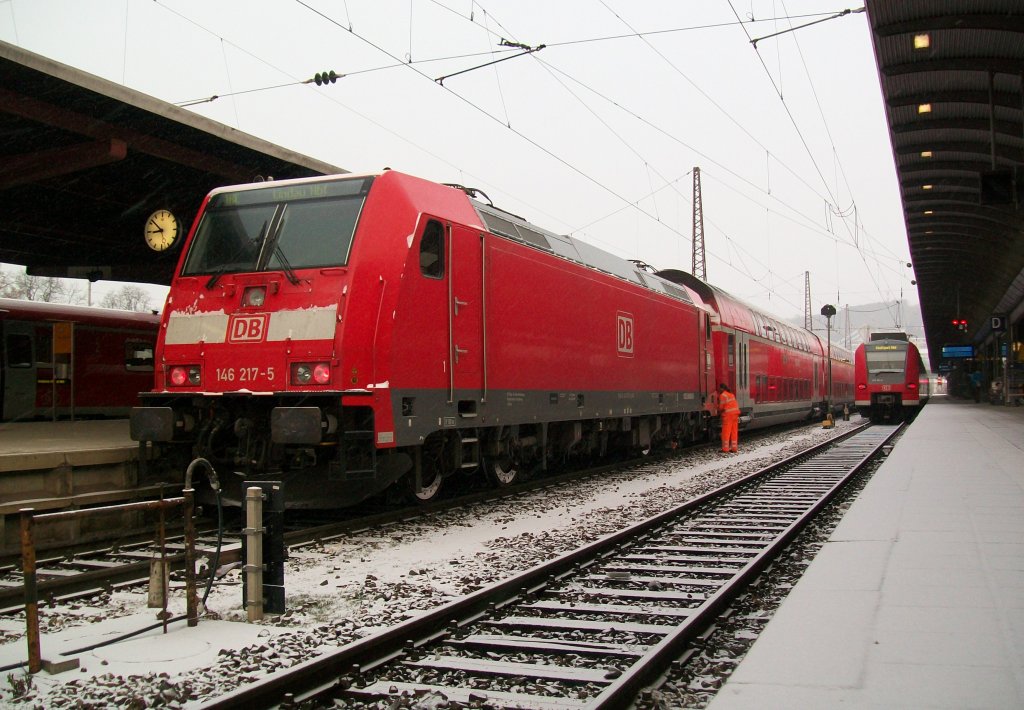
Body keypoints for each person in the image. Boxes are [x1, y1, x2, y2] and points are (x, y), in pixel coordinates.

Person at [718, 383, 740, 453]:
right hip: (735, 414)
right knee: (734, 432)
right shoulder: (731, 394)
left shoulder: (723, 395)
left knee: (726, 432)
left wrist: (717, 408)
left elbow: (721, 407)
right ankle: (734, 448)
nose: (719, 390)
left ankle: (725, 449)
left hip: (728, 415)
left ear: (722, 388)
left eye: (719, 388)